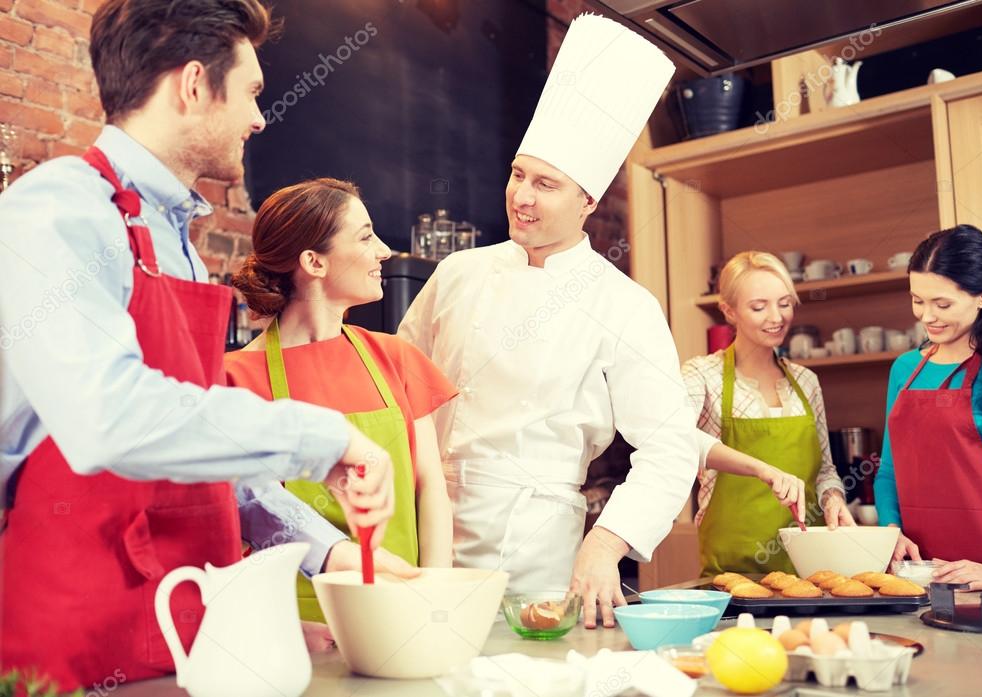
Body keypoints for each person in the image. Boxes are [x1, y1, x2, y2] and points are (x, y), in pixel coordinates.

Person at [0, 1, 393, 690]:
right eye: (250, 92)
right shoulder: (55, 211)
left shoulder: (177, 241)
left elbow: (199, 455)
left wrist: (325, 553)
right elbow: (109, 419)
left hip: (179, 633)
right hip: (70, 648)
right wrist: (324, 437)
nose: (259, 118)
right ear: (191, 86)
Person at [398, 13, 805, 628]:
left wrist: (607, 540)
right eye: (517, 175)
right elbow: (399, 384)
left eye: (545, 184)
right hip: (421, 530)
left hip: (532, 547)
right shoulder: (458, 272)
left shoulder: (623, 305)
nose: (521, 196)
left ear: (588, 201)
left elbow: (669, 445)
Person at [225, 178, 457, 621]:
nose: (384, 251)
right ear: (313, 261)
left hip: (402, 605)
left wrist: (436, 595)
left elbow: (431, 490)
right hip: (295, 620)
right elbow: (245, 519)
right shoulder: (235, 377)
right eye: (366, 236)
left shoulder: (395, 358)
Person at [682, 252, 854, 576]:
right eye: (759, 307)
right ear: (729, 311)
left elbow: (825, 470)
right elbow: (676, 437)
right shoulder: (702, 375)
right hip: (732, 575)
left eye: (785, 303)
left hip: (809, 571)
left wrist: (833, 498)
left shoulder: (806, 382)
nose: (777, 317)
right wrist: (762, 470)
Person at [875, 225, 982, 590]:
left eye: (942, 304)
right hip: (917, 572)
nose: (927, 316)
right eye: (917, 300)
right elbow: (889, 471)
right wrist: (890, 531)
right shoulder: (905, 369)